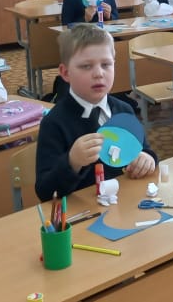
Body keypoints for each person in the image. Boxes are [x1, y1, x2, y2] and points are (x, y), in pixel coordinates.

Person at [34, 24, 157, 200]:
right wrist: (72, 162)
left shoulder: (124, 110)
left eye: (106, 64)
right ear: (65, 73)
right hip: (82, 212)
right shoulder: (54, 123)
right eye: (86, 66)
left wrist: (147, 158)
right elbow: (45, 192)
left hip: (125, 204)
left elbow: (143, 150)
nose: (98, 73)